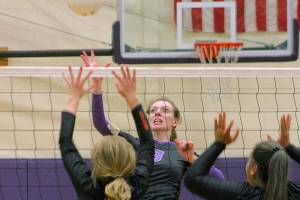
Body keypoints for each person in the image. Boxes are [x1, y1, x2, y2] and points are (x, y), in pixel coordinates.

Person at [81, 50, 224, 200]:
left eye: (165, 110)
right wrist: (96, 87)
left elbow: (219, 179)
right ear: (147, 118)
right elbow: (101, 124)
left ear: (175, 121)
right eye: (153, 111)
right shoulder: (136, 144)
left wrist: (193, 159)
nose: (157, 113)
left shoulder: (182, 152)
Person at [59, 65, 154, 200]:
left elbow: (65, 142)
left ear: (96, 160)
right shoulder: (137, 186)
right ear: (131, 159)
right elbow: (148, 143)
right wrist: (132, 98)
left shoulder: (88, 186)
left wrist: (73, 99)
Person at [184, 112, 300, 200]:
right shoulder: (296, 192)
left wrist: (219, 143)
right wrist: (289, 147)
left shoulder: (243, 194)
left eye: (249, 161)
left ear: (253, 169)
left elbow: (192, 179)